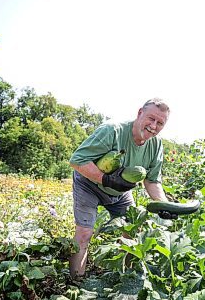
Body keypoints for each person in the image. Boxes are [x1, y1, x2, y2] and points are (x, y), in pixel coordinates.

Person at [68, 98, 171, 279]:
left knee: (132, 230)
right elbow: (77, 160)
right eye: (151, 119)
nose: (153, 126)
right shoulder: (112, 131)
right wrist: (106, 179)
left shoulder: (155, 146)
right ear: (140, 113)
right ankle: (75, 283)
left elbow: (152, 181)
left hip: (120, 192)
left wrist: (164, 205)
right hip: (88, 184)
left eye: (160, 123)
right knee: (84, 232)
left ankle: (122, 278)